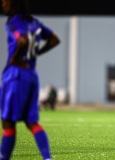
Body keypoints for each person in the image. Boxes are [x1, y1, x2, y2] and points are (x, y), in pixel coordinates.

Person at [0, 0, 60, 159]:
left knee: (7, 121)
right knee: (31, 122)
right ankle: (47, 157)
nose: (3, 4)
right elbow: (54, 39)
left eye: (4, 1)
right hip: (31, 75)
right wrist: (36, 53)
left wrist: (13, 59)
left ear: (13, 3)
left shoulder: (13, 22)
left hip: (16, 75)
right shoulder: (34, 22)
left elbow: (22, 40)